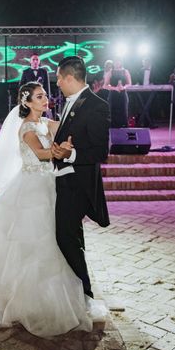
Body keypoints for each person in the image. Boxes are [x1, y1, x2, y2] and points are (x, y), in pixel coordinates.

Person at [0, 81, 107, 337]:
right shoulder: (26, 127)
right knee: (33, 242)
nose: (45, 99)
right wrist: (60, 151)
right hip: (32, 188)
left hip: (51, 185)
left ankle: (63, 290)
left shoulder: (47, 122)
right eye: (39, 97)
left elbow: (69, 129)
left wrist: (79, 131)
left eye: (45, 95)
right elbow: (40, 153)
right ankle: (28, 297)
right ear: (26, 102)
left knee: (56, 237)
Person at [51, 55, 111, 300]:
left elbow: (100, 151)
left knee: (64, 236)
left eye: (58, 79)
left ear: (69, 78)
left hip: (79, 183)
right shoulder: (68, 101)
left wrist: (71, 153)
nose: (56, 84)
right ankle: (77, 290)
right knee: (72, 235)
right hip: (64, 180)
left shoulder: (97, 105)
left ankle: (84, 290)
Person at [19, 53, 54, 118]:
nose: (35, 61)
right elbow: (21, 86)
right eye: (33, 59)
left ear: (39, 61)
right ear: (30, 61)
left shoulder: (44, 71)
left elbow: (47, 85)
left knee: (42, 116)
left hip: (41, 98)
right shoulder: (25, 72)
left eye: (37, 59)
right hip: (30, 98)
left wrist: (48, 98)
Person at [103, 57, 131, 128]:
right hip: (113, 95)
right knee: (113, 113)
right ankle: (113, 132)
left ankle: (124, 132)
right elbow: (105, 85)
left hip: (123, 94)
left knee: (124, 113)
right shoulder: (110, 72)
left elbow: (129, 83)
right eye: (115, 61)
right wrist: (114, 88)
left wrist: (123, 87)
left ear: (121, 62)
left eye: (118, 61)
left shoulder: (125, 71)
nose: (117, 63)